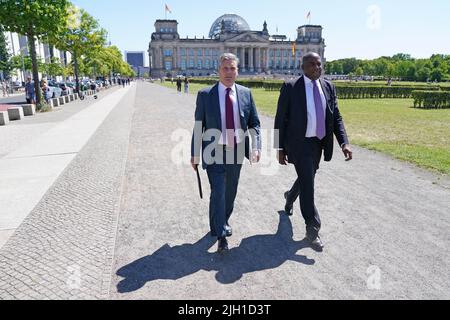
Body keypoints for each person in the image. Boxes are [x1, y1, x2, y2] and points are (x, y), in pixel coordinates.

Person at [274, 52, 353, 252]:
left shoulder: (328, 86)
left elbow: (336, 117)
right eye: (312, 64)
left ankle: (290, 196)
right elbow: (280, 119)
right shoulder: (291, 87)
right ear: (303, 67)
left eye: (319, 64)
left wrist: (344, 142)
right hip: (299, 144)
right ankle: (313, 227)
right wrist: (279, 148)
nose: (317, 67)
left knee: (306, 177)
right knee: (308, 183)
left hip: (319, 143)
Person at [191, 53, 262, 253]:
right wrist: (194, 153)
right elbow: (199, 126)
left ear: (237, 71)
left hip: (236, 150)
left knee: (230, 192)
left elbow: (254, 123)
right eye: (225, 68)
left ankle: (222, 221)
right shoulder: (205, 95)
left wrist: (256, 146)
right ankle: (221, 233)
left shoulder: (246, 93)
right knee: (218, 191)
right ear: (218, 71)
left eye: (233, 68)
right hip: (213, 151)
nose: (229, 72)